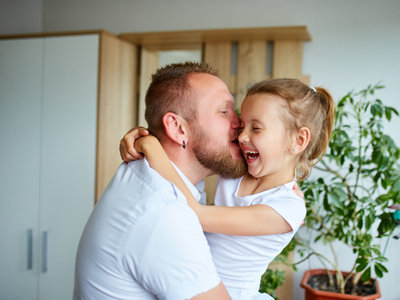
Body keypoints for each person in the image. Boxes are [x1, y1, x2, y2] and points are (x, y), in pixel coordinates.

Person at [121, 78, 335, 299]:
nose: (242, 136)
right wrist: (144, 133)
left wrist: (149, 145)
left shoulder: (288, 208)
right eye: (243, 126)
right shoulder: (241, 169)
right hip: (190, 281)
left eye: (256, 128)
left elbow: (195, 213)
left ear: (298, 140)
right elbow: (195, 148)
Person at [74, 62, 249, 299]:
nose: (240, 122)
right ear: (177, 128)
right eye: (223, 111)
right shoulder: (164, 212)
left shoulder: (155, 175)